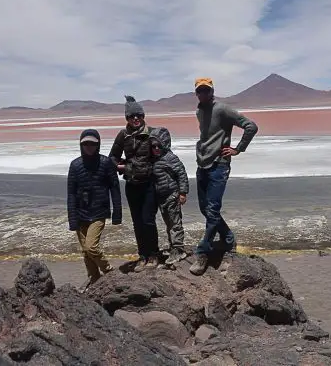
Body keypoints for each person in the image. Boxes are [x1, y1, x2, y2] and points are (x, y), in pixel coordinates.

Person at [189, 77, 258, 276]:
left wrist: (238, 149)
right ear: (196, 93)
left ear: (212, 91)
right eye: (200, 91)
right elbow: (208, 136)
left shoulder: (222, 109)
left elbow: (250, 126)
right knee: (205, 208)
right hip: (202, 164)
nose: (203, 93)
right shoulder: (199, 111)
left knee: (212, 210)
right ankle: (228, 239)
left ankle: (203, 253)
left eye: (206, 90)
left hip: (219, 165)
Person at [67, 129, 122, 292]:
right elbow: (70, 194)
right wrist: (72, 218)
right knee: (85, 251)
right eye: (86, 144)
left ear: (98, 144)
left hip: (99, 211)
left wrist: (117, 212)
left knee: (91, 246)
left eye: (92, 143)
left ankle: (108, 270)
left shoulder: (105, 163)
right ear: (81, 145)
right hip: (80, 212)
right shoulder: (75, 165)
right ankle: (94, 277)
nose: (89, 147)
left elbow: (114, 188)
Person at [110, 96, 160, 272]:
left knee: (148, 220)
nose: (135, 119)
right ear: (127, 119)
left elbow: (162, 156)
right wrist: (121, 166)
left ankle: (154, 254)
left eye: (138, 115)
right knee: (137, 222)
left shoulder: (152, 133)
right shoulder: (123, 135)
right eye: (132, 116)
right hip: (132, 185)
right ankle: (142, 256)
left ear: (143, 116)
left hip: (148, 184)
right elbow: (113, 156)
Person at [149, 127, 189, 265]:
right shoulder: (153, 159)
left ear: (164, 144)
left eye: (158, 145)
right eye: (152, 146)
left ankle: (178, 249)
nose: (155, 148)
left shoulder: (170, 158)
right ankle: (173, 246)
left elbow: (182, 174)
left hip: (172, 195)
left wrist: (182, 193)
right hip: (161, 197)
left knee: (174, 223)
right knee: (168, 223)